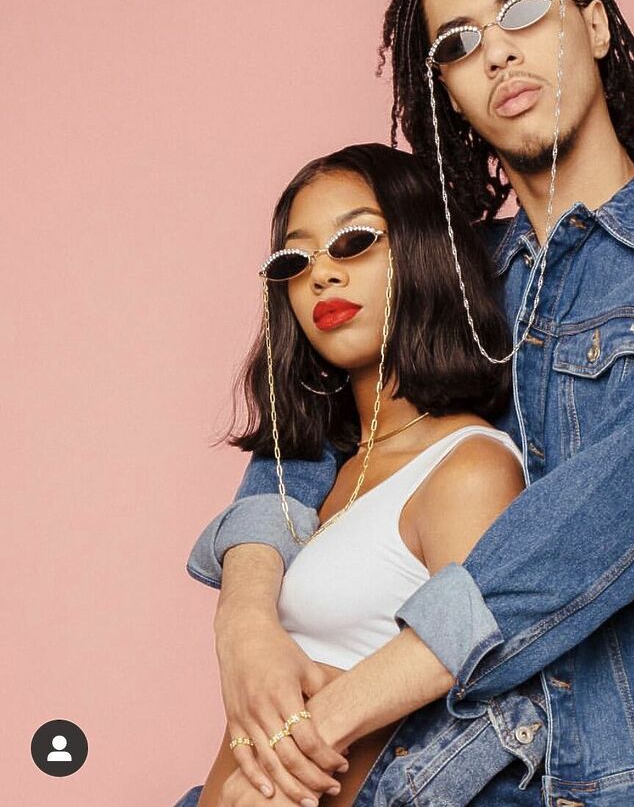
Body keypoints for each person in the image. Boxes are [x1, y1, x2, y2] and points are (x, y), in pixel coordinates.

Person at [184, 0, 634, 807]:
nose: (496, 54)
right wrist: (245, 619)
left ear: (594, 25)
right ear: (447, 89)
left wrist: (318, 727)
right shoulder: (463, 269)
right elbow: (326, 425)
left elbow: (603, 519)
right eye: (458, 42)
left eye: (522, 11)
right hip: (476, 750)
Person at [178, 143, 533, 807]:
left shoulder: (468, 468)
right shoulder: (330, 472)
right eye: (295, 260)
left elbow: (493, 704)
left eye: (355, 242)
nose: (321, 275)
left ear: (424, 250)